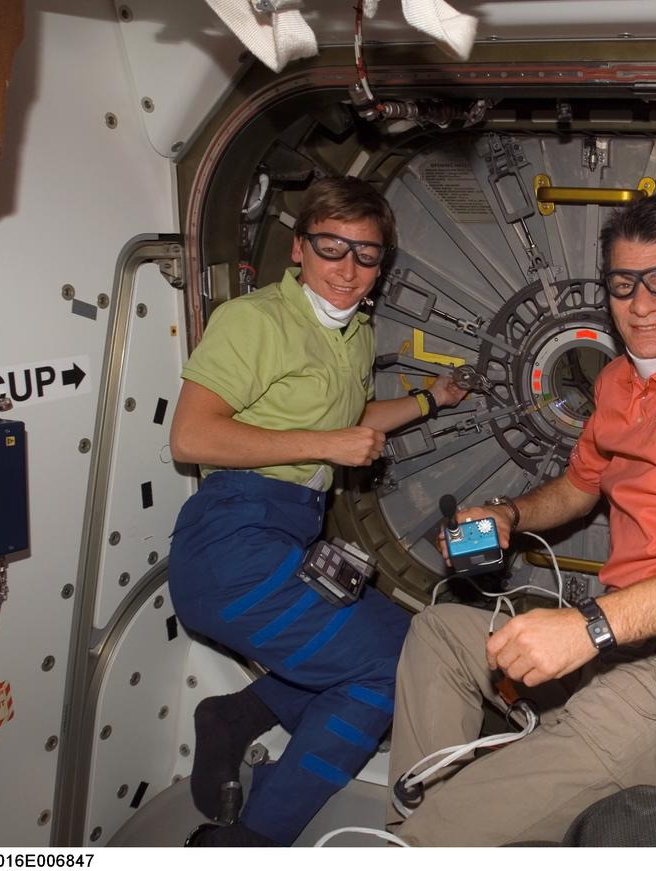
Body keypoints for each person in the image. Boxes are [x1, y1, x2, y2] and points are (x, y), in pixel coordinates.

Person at [386, 195, 656, 846]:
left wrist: (590, 627)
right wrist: (508, 514)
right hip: (614, 650)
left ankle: (430, 838)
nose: (642, 304)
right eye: (623, 283)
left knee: (427, 840)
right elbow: (581, 486)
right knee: (439, 633)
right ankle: (438, 823)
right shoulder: (616, 382)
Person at [166, 176, 467, 847]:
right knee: (387, 667)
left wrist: (431, 400)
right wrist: (325, 444)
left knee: (404, 636)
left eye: (367, 255)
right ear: (299, 248)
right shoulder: (255, 321)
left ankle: (233, 716)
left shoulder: (353, 333)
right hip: (231, 540)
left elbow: (350, 417)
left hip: (292, 530)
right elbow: (192, 435)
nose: (349, 269)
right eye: (332, 247)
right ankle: (252, 839)